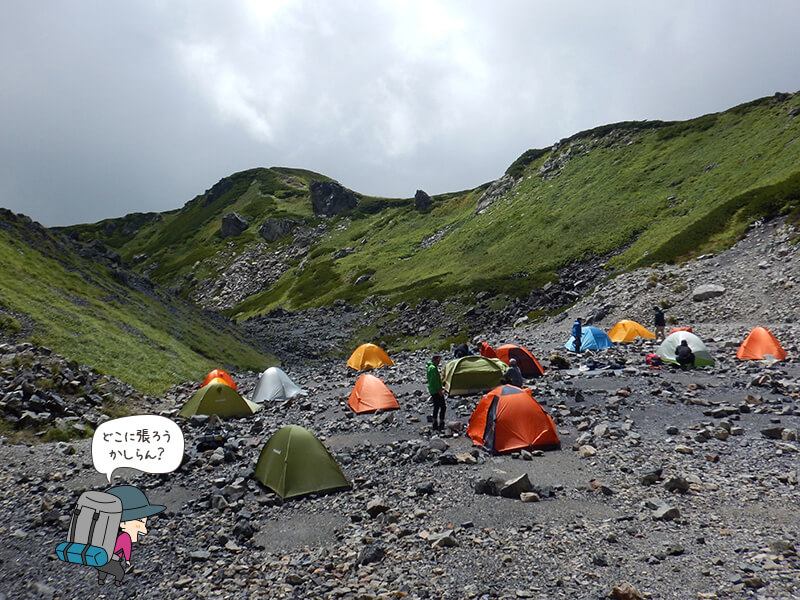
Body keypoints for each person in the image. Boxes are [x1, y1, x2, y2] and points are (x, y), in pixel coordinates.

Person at [96, 485, 165, 587]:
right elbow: (126, 549)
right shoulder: (125, 538)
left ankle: (102, 578)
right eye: (140, 521)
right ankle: (116, 581)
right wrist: (127, 560)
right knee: (119, 573)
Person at [426, 355, 446, 430]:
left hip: (432, 389)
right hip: (435, 390)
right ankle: (441, 422)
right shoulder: (433, 368)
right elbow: (434, 380)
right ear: (434, 360)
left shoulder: (430, 367)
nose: (438, 362)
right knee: (443, 406)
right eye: (438, 361)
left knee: (436, 406)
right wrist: (439, 390)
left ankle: (435, 422)